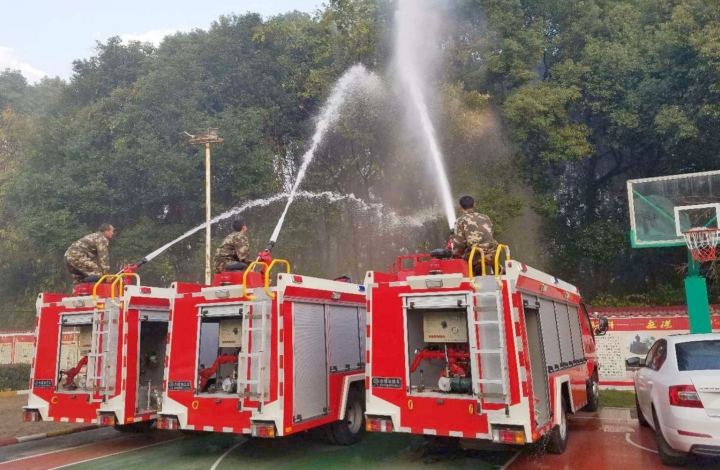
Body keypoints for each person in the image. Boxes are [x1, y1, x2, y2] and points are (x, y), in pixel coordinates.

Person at [451, 196, 498, 271]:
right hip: (494, 253)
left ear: (460, 206)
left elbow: (459, 244)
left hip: (475, 256)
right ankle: (499, 269)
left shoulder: (460, 221)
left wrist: (455, 256)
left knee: (465, 261)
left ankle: (474, 272)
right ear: (474, 204)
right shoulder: (486, 217)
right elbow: (491, 235)